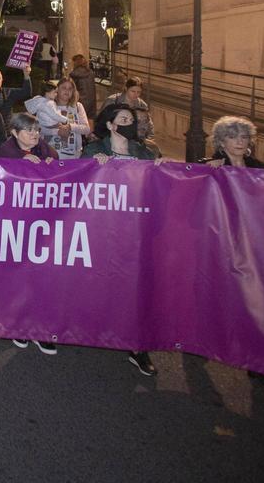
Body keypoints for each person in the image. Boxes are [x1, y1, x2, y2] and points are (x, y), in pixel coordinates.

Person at [198, 116, 264, 395]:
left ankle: (261, 366)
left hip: (253, 245)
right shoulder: (210, 167)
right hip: (221, 245)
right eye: (233, 137)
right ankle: (202, 342)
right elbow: (187, 184)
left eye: (244, 137)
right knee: (217, 298)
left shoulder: (260, 170)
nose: (239, 141)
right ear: (221, 141)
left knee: (258, 304)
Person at [82, 103, 161, 376]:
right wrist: (93, 166)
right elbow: (77, 183)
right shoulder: (94, 150)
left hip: (136, 232)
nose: (130, 123)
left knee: (136, 288)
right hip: (102, 230)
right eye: (124, 119)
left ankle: (138, 348)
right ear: (111, 125)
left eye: (132, 119)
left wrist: (161, 168)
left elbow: (160, 186)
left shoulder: (145, 153)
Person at [30, 78, 90, 160]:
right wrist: (57, 132)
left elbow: (86, 129)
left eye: (70, 88)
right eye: (64, 88)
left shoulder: (78, 106)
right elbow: (39, 129)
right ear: (57, 90)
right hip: (51, 155)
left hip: (74, 156)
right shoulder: (46, 105)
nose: (67, 91)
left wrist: (71, 127)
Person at [102, 77, 154, 145]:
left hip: (136, 143)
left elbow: (149, 125)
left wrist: (148, 140)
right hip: (113, 140)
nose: (136, 94)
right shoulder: (113, 101)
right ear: (126, 88)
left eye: (139, 92)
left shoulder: (142, 105)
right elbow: (102, 121)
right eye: (133, 91)